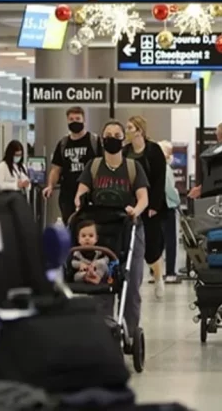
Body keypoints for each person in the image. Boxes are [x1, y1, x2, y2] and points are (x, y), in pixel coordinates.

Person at [75, 120, 149, 339]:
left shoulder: (133, 167)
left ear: (123, 140)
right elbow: (80, 193)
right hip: (101, 230)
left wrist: (135, 210)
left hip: (129, 228)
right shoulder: (94, 166)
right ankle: (104, 331)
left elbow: (143, 197)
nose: (112, 139)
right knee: (102, 281)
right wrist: (80, 204)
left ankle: (130, 332)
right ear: (102, 139)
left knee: (130, 283)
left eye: (117, 135)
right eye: (108, 135)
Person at [124, 116, 169, 299]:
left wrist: (154, 205)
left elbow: (159, 178)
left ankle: (158, 277)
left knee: (152, 247)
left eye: (130, 127)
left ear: (139, 131)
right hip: (131, 203)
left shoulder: (153, 150)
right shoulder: (125, 151)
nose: (127, 131)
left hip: (151, 205)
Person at [43, 106, 101, 224]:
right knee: (69, 224)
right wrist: (50, 186)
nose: (74, 122)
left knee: (88, 225)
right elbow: (56, 169)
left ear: (84, 120)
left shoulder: (94, 141)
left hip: (90, 193)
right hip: (67, 194)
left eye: (78, 119)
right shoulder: (63, 144)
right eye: (71, 119)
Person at [187, 121, 222, 200]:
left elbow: (214, 177)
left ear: (218, 135)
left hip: (217, 195)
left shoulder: (215, 153)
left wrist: (200, 189)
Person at [158, 140, 182, 284]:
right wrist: (178, 199)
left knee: (159, 242)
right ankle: (170, 273)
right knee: (170, 241)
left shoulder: (154, 168)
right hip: (168, 207)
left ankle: (157, 273)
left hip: (157, 208)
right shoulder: (166, 169)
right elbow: (169, 190)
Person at [71, 220, 110, 285]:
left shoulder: (99, 251)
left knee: (103, 265)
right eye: (83, 236)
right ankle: (88, 277)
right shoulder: (77, 252)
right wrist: (80, 264)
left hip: (97, 271)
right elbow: (73, 262)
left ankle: (96, 277)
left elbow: (106, 259)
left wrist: (96, 263)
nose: (87, 238)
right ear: (78, 239)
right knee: (76, 276)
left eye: (91, 236)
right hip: (85, 271)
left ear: (96, 239)